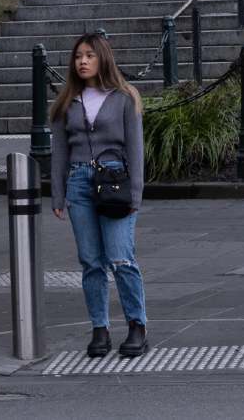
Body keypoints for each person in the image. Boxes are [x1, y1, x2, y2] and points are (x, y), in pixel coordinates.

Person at [50, 33, 148, 358]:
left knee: (121, 258)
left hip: (114, 180)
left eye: (89, 55)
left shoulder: (124, 97)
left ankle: (137, 326)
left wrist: (136, 196)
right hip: (79, 183)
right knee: (91, 262)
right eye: (78, 56)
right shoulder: (67, 102)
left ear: (102, 58)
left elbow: (135, 149)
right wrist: (58, 194)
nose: (82, 61)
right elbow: (60, 152)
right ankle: (100, 329)